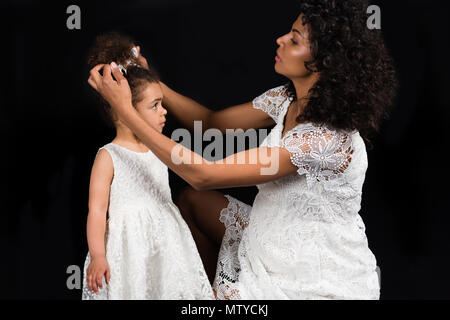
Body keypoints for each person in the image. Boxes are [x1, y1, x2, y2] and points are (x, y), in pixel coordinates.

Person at [88, 0, 397, 299]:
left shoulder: (323, 140)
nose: (280, 40)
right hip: (269, 230)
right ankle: (200, 291)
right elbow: (211, 122)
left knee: (198, 191)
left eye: (295, 40)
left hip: (305, 273)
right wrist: (154, 83)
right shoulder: (286, 98)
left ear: (322, 61)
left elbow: (203, 174)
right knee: (194, 202)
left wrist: (127, 112)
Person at [82, 32, 214, 300]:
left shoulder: (159, 149)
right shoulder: (109, 155)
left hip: (167, 242)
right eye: (155, 106)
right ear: (123, 109)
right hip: (130, 249)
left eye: (162, 104)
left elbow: (198, 168)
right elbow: (96, 210)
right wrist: (97, 255)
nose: (164, 111)